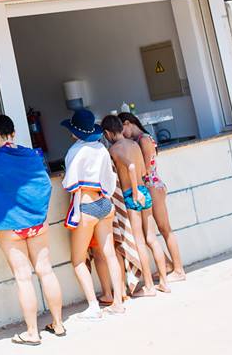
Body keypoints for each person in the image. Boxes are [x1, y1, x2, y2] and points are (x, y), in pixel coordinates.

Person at [0, 115, 65, 345]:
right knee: (46, 271)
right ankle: (58, 324)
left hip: (10, 228)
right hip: (36, 223)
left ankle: (32, 332)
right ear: (14, 133)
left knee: (23, 278)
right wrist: (38, 214)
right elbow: (45, 185)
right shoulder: (33, 156)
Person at [61, 108, 126, 319]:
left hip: (86, 207)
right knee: (109, 254)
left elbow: (70, 183)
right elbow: (110, 179)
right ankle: (118, 301)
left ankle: (93, 306)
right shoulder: (101, 149)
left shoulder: (74, 152)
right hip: (104, 203)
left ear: (75, 132)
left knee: (78, 260)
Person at [101, 114, 171, 295]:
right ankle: (164, 281)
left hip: (132, 195)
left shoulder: (114, 150)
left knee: (139, 240)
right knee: (152, 238)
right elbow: (139, 168)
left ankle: (148, 285)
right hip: (145, 191)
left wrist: (133, 190)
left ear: (108, 133)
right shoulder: (135, 144)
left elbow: (131, 167)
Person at [119, 112, 186, 282]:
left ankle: (178, 269)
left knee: (164, 228)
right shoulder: (136, 141)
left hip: (152, 186)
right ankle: (168, 265)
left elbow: (147, 169)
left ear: (127, 123)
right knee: (148, 233)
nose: (121, 134)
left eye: (122, 129)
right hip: (148, 187)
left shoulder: (143, 139)